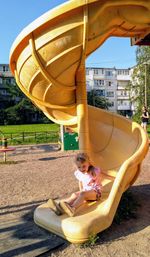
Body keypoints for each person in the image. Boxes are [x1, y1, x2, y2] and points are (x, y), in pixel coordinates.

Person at [47, 152, 102, 217]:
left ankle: (72, 208)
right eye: (79, 167)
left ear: (89, 163)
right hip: (86, 192)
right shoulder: (79, 173)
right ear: (76, 166)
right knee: (74, 194)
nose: (82, 169)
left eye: (84, 166)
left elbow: (100, 176)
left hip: (96, 193)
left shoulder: (94, 171)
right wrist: (81, 190)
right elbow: (80, 182)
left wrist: (95, 175)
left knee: (82, 194)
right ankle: (60, 207)